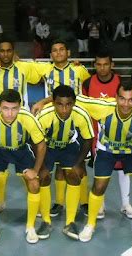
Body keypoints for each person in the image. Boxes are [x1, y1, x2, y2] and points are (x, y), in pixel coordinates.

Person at [77, 82, 132, 246]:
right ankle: (90, 224)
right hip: (106, 149)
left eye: (131, 100)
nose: (126, 104)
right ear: (116, 97)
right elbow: (72, 97)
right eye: (122, 99)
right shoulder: (102, 106)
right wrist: (43, 102)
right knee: (99, 186)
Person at [29, 40, 91, 217]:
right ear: (51, 55)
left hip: (74, 120)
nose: (58, 53)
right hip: (53, 120)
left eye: (61, 49)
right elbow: (22, 64)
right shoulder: (45, 70)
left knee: (79, 164)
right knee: (58, 165)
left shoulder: (79, 70)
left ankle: (84, 202)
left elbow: (85, 88)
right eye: (54, 50)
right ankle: (58, 203)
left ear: (68, 52)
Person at [0, 89, 46, 243]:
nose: (9, 113)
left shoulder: (27, 118)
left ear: (20, 107)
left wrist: (35, 170)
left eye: (14, 108)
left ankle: (30, 227)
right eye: (5, 108)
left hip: (20, 150)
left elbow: (41, 144)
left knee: (34, 183)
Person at [82, 51, 132, 220]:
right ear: (94, 65)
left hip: (121, 134)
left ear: (112, 65)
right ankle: (100, 203)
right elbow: (85, 108)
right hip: (98, 135)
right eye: (98, 64)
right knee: (101, 169)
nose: (102, 68)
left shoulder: (122, 82)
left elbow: (131, 105)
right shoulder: (87, 83)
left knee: (124, 170)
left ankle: (125, 204)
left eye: (106, 64)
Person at [36, 86, 93, 240]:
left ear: (74, 103)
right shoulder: (44, 116)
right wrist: (40, 166)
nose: (64, 109)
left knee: (74, 175)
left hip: (68, 146)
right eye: (60, 104)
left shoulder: (81, 115)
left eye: (68, 104)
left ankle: (71, 222)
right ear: (53, 103)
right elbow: (36, 142)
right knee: (43, 177)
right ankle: (46, 221)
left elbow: (88, 139)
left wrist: (78, 163)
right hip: (47, 147)